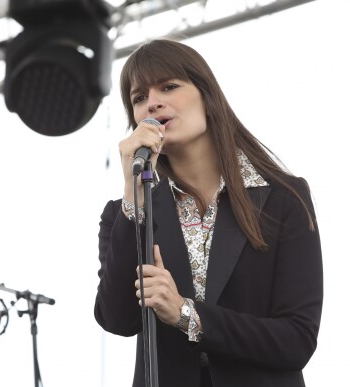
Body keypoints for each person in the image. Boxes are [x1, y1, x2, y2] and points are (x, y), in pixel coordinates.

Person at [94, 39, 323, 387]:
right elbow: (117, 319)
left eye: (169, 86)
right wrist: (133, 198)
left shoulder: (282, 199)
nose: (152, 102)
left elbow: (297, 339)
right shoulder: (125, 213)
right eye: (139, 97)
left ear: (207, 95)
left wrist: (186, 314)